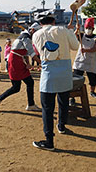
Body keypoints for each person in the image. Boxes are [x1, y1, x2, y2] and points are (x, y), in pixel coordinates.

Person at [32, 10, 79, 151]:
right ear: (53, 20)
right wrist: (70, 33)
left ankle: (49, 141)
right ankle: (62, 126)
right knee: (63, 102)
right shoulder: (63, 30)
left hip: (48, 75)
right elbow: (76, 46)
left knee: (47, 109)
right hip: (65, 73)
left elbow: (38, 52)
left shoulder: (36, 34)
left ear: (40, 23)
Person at [0, 22, 42, 112]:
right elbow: (32, 53)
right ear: (33, 30)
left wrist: (27, 63)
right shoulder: (26, 37)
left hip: (18, 61)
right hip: (15, 62)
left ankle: (31, 104)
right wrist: (42, 63)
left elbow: (26, 53)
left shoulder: (26, 36)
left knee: (29, 83)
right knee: (16, 87)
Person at [72, 18, 96, 103]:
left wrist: (86, 50)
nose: (88, 29)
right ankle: (72, 97)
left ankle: (92, 91)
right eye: (87, 27)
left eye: (90, 28)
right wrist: (77, 29)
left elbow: (95, 49)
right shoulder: (81, 35)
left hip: (90, 61)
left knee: (93, 79)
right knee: (75, 79)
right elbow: (74, 37)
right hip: (80, 61)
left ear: (93, 29)